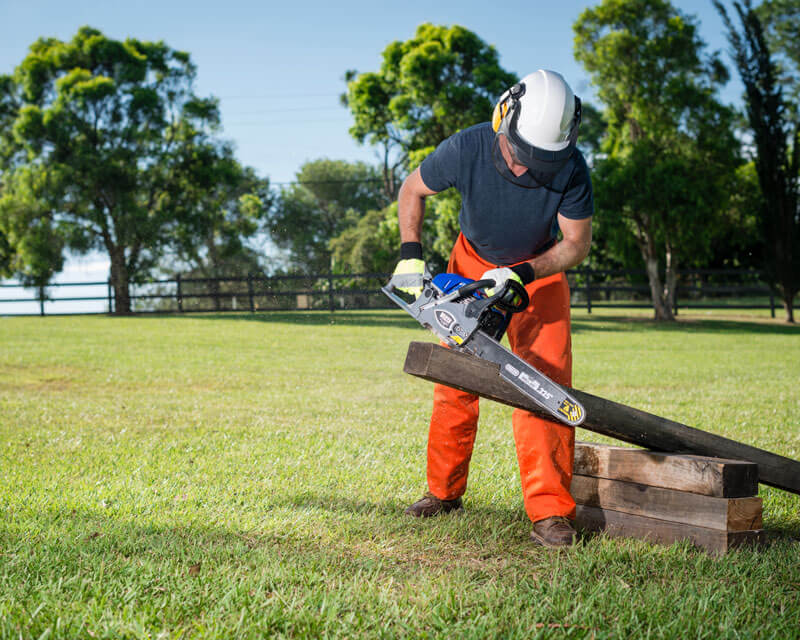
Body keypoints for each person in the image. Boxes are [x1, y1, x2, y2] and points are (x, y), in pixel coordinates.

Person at [389, 70, 593, 548]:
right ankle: (442, 493)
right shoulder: (467, 148)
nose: (525, 168)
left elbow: (576, 244)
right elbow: (411, 190)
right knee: (455, 380)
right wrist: (409, 252)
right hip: (470, 263)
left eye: (539, 161)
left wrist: (525, 272)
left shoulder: (573, 169)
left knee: (545, 386)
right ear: (505, 117)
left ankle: (550, 513)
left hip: (537, 275)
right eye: (520, 154)